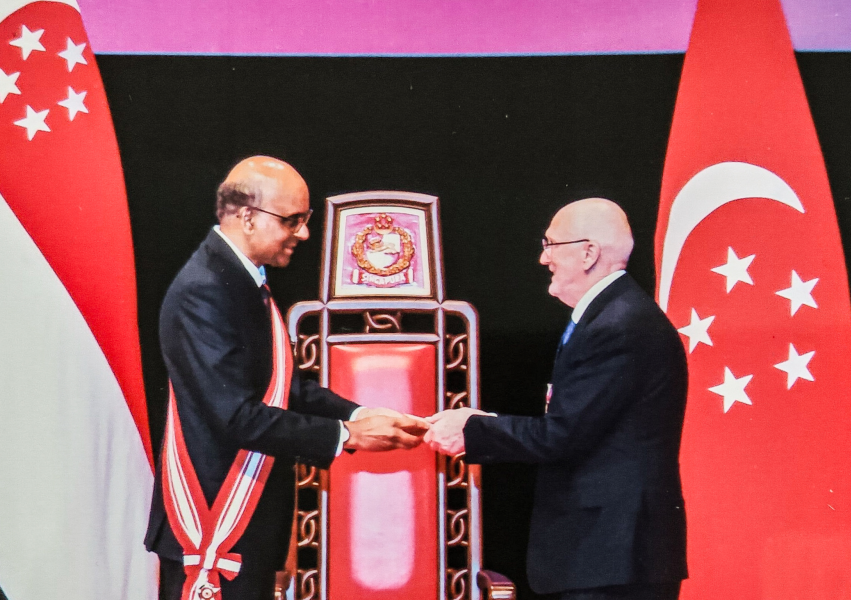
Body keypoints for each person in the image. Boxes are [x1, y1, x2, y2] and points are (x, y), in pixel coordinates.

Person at [144, 156, 427, 600]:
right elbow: (235, 416)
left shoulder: (238, 279)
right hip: (213, 519)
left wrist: (362, 412)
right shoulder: (205, 288)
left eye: (305, 219)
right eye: (292, 220)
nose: (304, 233)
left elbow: (284, 386)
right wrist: (347, 433)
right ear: (247, 217)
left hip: (250, 517)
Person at [426, 198, 688, 600]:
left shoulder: (618, 326)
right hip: (608, 554)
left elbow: (563, 435)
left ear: (588, 253)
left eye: (551, 244)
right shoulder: (613, 315)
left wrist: (475, 431)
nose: (542, 258)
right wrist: (487, 419)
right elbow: (582, 422)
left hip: (613, 556)